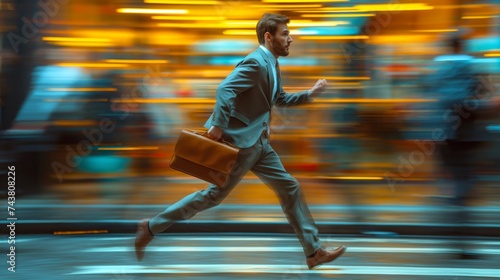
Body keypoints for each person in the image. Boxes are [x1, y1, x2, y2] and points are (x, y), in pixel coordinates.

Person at [135, 13, 346, 269]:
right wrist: (218, 125)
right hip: (241, 146)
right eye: (285, 34)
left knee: (290, 188)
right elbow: (225, 89)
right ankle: (151, 226)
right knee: (212, 197)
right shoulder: (255, 63)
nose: (290, 39)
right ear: (269, 37)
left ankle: (314, 252)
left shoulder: (272, 63)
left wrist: (310, 94)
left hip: (260, 144)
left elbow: (278, 98)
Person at [431, 34, 500, 259]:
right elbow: (463, 103)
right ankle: (462, 243)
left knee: (460, 186)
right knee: (464, 187)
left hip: (445, 136)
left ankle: (458, 236)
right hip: (463, 138)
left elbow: (438, 102)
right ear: (462, 46)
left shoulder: (440, 68)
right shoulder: (464, 67)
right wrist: (487, 104)